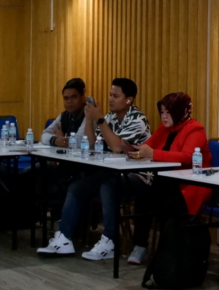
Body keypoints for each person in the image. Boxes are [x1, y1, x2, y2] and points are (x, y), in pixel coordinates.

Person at [37, 77, 151, 261]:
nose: (110, 99)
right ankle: (64, 238)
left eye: (115, 96)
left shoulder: (137, 119)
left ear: (128, 100)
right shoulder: (110, 118)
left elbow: (117, 147)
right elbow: (90, 144)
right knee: (77, 187)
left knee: (108, 186)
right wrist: (90, 119)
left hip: (137, 174)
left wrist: (99, 119)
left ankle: (110, 241)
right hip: (112, 170)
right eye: (110, 95)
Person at [127, 92, 212, 259]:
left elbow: (187, 157)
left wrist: (152, 154)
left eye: (168, 112)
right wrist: (132, 149)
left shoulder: (195, 129)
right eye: (162, 112)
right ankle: (140, 246)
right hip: (166, 181)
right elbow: (146, 146)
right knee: (143, 197)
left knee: (165, 201)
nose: (164, 116)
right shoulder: (164, 128)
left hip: (191, 183)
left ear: (180, 112)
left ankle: (167, 251)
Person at [41, 78, 89, 148]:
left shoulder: (89, 114)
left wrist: (63, 140)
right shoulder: (64, 115)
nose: (69, 101)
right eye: (66, 98)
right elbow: (44, 134)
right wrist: (55, 140)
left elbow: (80, 141)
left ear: (83, 98)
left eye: (74, 97)